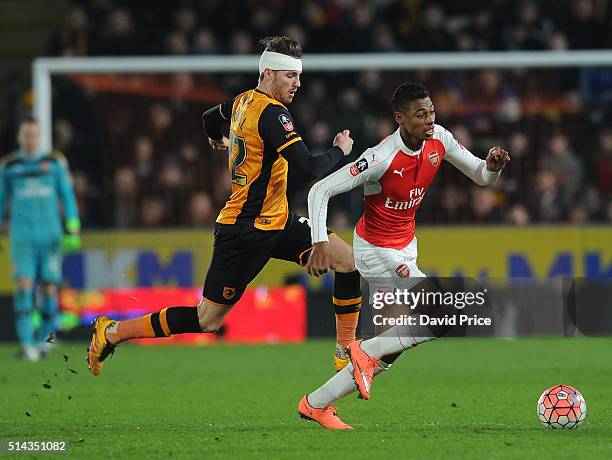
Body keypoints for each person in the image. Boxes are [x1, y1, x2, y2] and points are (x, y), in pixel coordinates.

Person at [87, 36, 363, 375]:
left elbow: (208, 117)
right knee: (207, 320)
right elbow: (307, 168)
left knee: (348, 260)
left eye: (299, 76)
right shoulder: (273, 114)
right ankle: (113, 332)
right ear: (268, 74)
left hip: (277, 221)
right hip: (244, 231)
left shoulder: (242, 102)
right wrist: (341, 150)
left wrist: (218, 138)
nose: (297, 83)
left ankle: (345, 351)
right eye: (290, 75)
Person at [297, 82, 510, 429]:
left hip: (405, 248)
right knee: (440, 314)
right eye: (420, 114)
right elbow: (320, 190)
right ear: (400, 118)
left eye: (431, 112)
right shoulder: (379, 157)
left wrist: (494, 166)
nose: (429, 119)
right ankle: (364, 351)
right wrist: (320, 242)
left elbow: (481, 176)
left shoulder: (439, 139)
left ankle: (316, 404)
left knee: (396, 344)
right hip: (375, 250)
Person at [0, 118, 81, 361]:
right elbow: (1, 200)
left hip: (51, 237)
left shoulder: (54, 163)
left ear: (40, 137)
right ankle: (27, 345)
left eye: (34, 135)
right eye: (26, 134)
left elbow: (67, 195)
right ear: (19, 137)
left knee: (48, 288)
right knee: (24, 288)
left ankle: (43, 342)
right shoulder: (10, 166)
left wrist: (73, 226)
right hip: (22, 238)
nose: (30, 139)